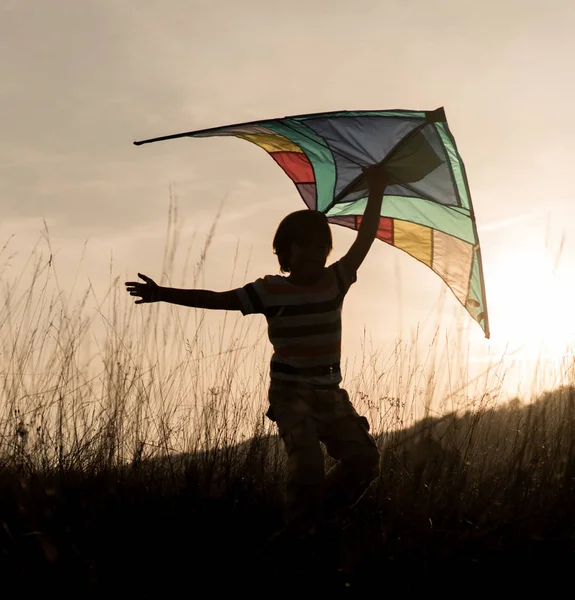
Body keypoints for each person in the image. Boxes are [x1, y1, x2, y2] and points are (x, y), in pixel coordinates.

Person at [125, 166, 388, 542]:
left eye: (321, 246)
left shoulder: (337, 280)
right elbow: (217, 300)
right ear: (286, 254)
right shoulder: (269, 292)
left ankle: (311, 524)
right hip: (290, 395)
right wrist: (163, 293)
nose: (315, 253)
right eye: (305, 246)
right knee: (308, 464)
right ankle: (300, 531)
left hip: (330, 394)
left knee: (364, 461)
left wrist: (376, 190)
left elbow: (365, 238)